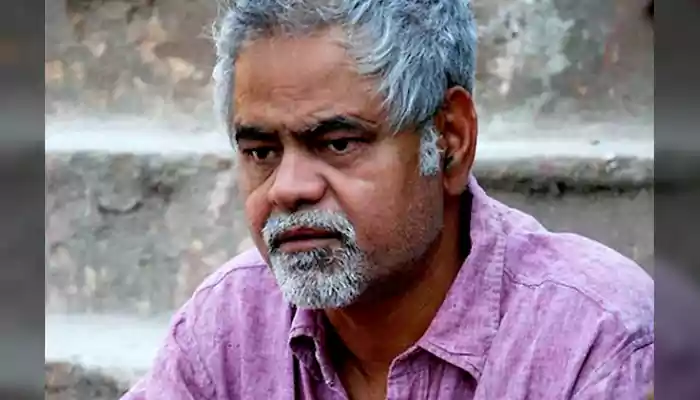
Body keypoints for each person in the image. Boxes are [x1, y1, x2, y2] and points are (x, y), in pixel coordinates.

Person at [121, 0, 654, 398]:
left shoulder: (597, 340)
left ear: (449, 141)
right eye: (261, 152)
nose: (287, 188)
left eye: (338, 143)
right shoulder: (228, 325)